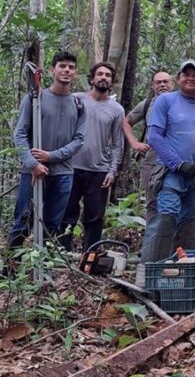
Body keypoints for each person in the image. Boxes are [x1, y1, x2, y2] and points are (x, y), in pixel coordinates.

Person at [136, 60, 195, 286]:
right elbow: (155, 136)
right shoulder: (165, 101)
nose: (191, 79)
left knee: (189, 221)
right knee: (166, 216)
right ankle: (148, 273)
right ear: (178, 78)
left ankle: (180, 272)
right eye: (186, 74)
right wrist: (177, 164)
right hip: (171, 172)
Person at [7, 51, 86, 250]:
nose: (67, 70)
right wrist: (33, 163)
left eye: (71, 67)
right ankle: (9, 273)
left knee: (52, 225)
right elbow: (20, 134)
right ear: (52, 70)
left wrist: (51, 156)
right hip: (32, 172)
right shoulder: (35, 99)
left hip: (63, 174)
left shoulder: (78, 104)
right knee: (23, 222)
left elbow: (78, 140)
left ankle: (42, 272)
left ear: (75, 73)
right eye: (62, 66)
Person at [60, 61, 125, 252]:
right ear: (92, 78)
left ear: (112, 81)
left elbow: (117, 143)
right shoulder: (76, 100)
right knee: (67, 212)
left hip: (99, 170)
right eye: (100, 74)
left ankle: (90, 255)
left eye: (108, 75)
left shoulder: (116, 109)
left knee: (94, 216)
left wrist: (112, 171)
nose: (103, 77)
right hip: (71, 166)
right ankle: (63, 253)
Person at [122, 70, 173, 220]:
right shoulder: (147, 104)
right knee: (152, 202)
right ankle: (152, 238)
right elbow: (126, 121)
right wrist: (134, 142)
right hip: (151, 160)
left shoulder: (181, 102)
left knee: (173, 200)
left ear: (172, 83)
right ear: (153, 86)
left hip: (175, 160)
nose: (162, 85)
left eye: (165, 81)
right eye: (159, 82)